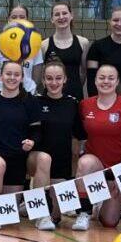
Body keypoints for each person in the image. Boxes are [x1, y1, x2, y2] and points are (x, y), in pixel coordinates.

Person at [0, 60, 44, 229]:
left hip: (17, 158)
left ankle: (38, 213)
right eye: (8, 74)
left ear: (22, 78)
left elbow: (36, 131)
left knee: (9, 217)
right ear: (1, 76)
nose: (12, 78)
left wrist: (32, 141)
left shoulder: (29, 101)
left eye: (16, 74)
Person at [76, 63, 121, 229]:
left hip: (118, 169)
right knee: (85, 163)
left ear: (117, 81)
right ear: (95, 81)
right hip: (96, 167)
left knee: (109, 222)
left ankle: (101, 203)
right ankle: (84, 213)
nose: (106, 81)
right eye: (102, 78)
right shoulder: (85, 105)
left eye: (111, 78)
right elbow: (81, 137)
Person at [31, 60, 86, 229]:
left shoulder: (72, 103)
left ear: (65, 79)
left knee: (56, 217)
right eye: (49, 78)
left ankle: (46, 209)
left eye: (58, 78)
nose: (53, 82)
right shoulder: (34, 101)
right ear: (43, 80)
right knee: (44, 159)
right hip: (36, 159)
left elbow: (80, 135)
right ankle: (40, 214)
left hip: (61, 165)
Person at [39, 1, 89, 99]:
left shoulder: (83, 42)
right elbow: (41, 74)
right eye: (57, 14)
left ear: (71, 15)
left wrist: (73, 87)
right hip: (51, 96)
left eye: (65, 13)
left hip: (75, 95)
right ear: (52, 19)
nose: (61, 17)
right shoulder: (44, 45)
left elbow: (83, 72)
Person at [0, 4, 39, 93]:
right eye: (14, 17)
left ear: (27, 20)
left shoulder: (35, 44)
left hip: (27, 96)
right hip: (2, 96)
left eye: (22, 17)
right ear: (8, 20)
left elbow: (36, 78)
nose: (18, 20)